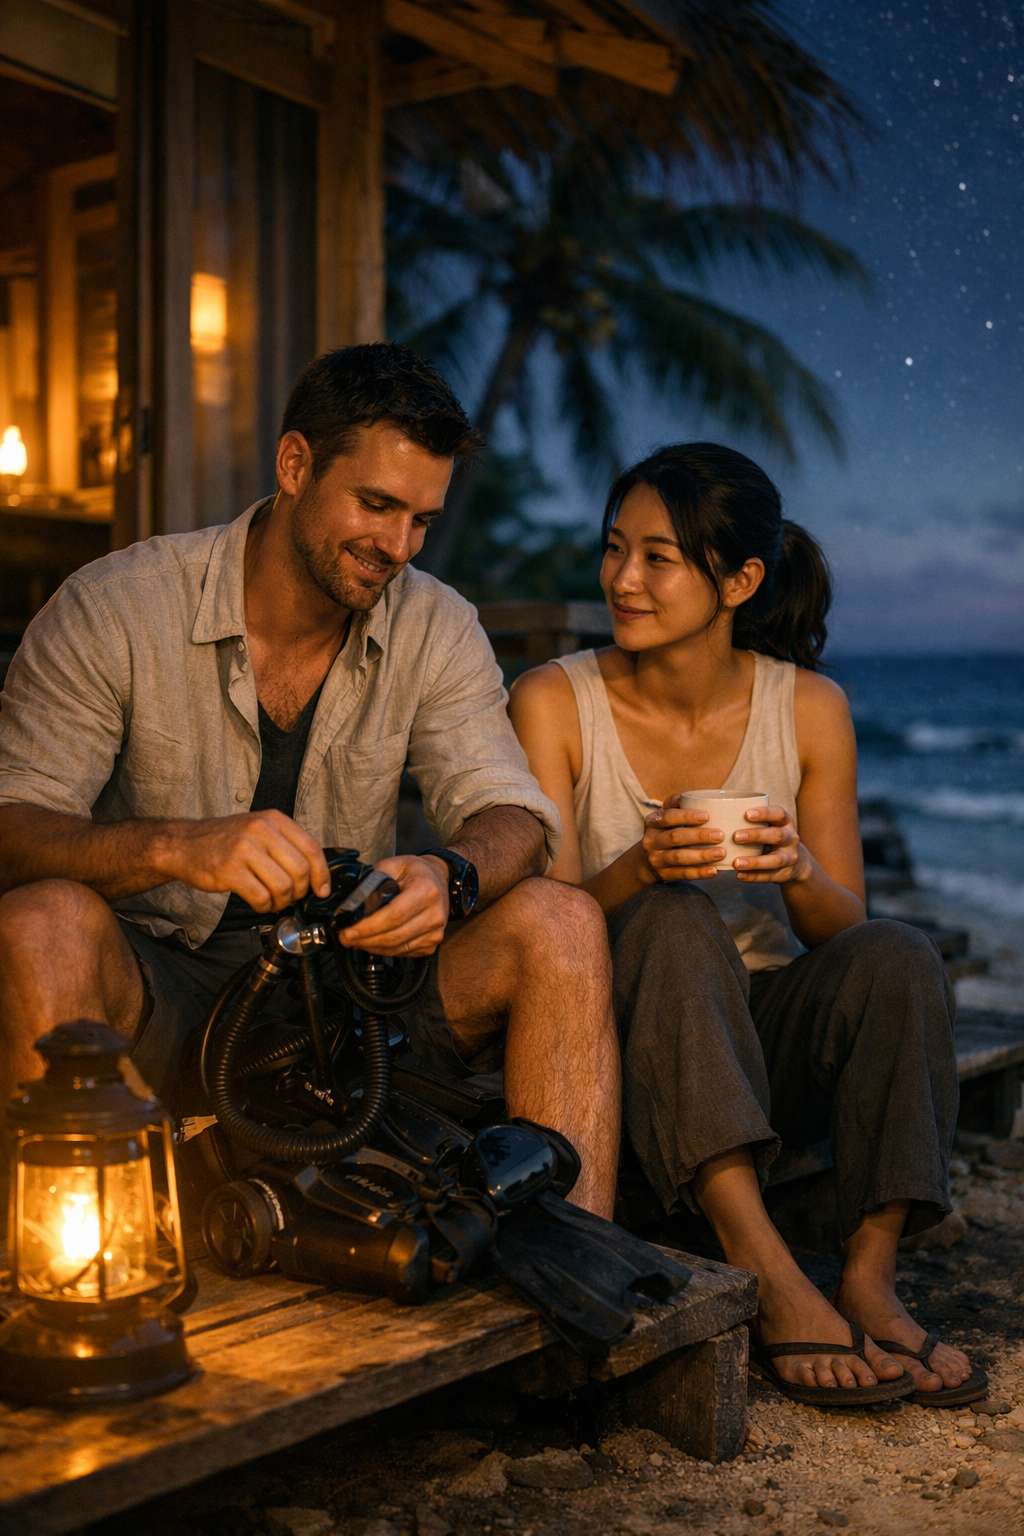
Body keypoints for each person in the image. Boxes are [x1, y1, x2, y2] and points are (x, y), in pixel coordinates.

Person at [0, 343, 619, 1219]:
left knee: (563, 919)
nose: (397, 547)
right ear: (295, 465)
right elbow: (11, 828)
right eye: (377, 505)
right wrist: (177, 846)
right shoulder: (116, 606)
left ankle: (583, 1264)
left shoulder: (438, 624)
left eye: (421, 520)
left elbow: (511, 813)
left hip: (348, 990)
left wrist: (450, 875)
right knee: (40, 923)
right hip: (161, 985)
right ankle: (78, 1267)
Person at [509, 442, 986, 1407]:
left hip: (762, 1041)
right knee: (672, 916)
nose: (622, 580)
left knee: (898, 951)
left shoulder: (808, 707)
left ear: (741, 581)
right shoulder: (555, 700)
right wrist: (642, 867)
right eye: (615, 548)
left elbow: (841, 927)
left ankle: (870, 1274)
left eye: (658, 558)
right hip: (628, 1043)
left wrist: (799, 869)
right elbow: (547, 920)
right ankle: (764, 1265)